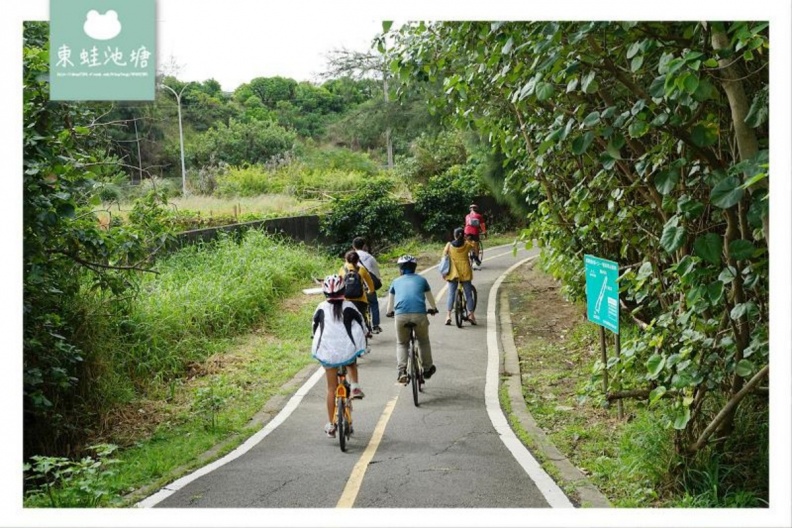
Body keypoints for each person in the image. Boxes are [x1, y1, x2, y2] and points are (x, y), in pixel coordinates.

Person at [311, 275, 367, 438]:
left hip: (328, 353)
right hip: (346, 352)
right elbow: (362, 324)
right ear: (344, 290)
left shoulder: (321, 307)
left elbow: (314, 329)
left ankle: (330, 424)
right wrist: (365, 334)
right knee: (351, 360)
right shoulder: (349, 305)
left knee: (331, 389)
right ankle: (355, 385)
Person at [384, 255, 439, 383]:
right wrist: (434, 309)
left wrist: (389, 313)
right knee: (423, 341)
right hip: (420, 315)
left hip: (401, 316)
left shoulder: (395, 281)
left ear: (401, 268)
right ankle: (427, 369)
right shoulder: (422, 280)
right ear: (414, 267)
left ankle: (402, 371)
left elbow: (390, 302)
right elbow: (430, 298)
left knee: (402, 343)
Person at [442, 227, 478, 326]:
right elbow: (474, 248)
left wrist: (444, 272)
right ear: (463, 235)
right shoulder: (466, 245)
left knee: (451, 294)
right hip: (465, 271)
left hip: (453, 272)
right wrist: (467, 239)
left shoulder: (449, 245)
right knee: (468, 294)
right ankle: (471, 315)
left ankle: (448, 316)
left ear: (454, 235)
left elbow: (444, 257)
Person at [339, 250, 376, 338]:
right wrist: (370, 291)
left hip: (346, 300)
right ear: (357, 260)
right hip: (360, 300)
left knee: (346, 319)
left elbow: (339, 284)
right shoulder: (362, 269)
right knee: (363, 318)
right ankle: (366, 332)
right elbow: (370, 284)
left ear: (346, 260)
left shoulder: (342, 270)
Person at [352, 237, 383, 334]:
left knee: (359, 306)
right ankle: (376, 325)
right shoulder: (370, 257)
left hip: (356, 287)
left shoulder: (351, 257)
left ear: (353, 246)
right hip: (368, 285)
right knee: (374, 303)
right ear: (364, 246)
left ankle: (362, 327)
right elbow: (376, 273)